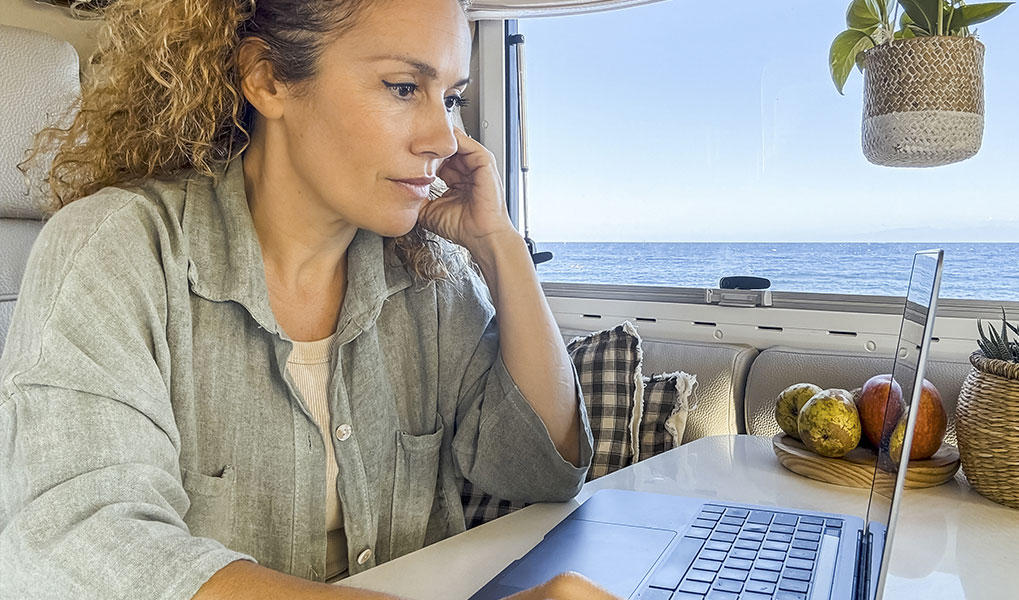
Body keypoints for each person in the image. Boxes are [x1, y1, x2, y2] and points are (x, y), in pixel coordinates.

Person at [0, 0, 617, 598]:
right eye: (404, 87)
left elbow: (543, 472)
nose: (445, 139)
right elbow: (76, 541)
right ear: (267, 79)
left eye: (450, 98)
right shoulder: (118, 249)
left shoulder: (431, 278)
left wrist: (499, 244)